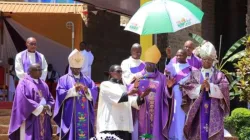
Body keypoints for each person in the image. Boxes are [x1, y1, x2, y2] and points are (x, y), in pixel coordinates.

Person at [181, 41, 230, 140]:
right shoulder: (195, 74)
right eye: (205, 59)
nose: (207, 62)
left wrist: (210, 87)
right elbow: (187, 88)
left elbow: (225, 88)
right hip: (198, 110)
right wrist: (200, 87)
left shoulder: (219, 74)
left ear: (213, 60)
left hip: (214, 110)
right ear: (201, 59)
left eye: (209, 60)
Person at [53, 49, 98, 140]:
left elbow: (94, 91)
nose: (77, 70)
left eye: (79, 68)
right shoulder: (63, 79)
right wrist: (73, 90)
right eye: (75, 68)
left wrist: (87, 90)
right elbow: (60, 93)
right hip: (70, 114)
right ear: (71, 67)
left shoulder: (87, 79)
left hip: (85, 113)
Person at [97, 64, 151, 140]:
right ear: (111, 73)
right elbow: (116, 97)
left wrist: (142, 96)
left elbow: (130, 101)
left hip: (125, 125)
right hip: (111, 125)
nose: (120, 73)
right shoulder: (105, 85)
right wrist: (130, 92)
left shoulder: (123, 87)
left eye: (121, 72)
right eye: (118, 71)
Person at [134, 45, 174, 140]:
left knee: (155, 133)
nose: (150, 66)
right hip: (143, 110)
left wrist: (169, 88)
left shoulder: (162, 77)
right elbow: (133, 92)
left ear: (156, 64)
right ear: (145, 63)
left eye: (152, 64)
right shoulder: (138, 76)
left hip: (157, 112)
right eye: (148, 64)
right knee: (144, 132)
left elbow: (166, 96)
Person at [8, 63, 55, 140]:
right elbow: (22, 99)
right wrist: (39, 107)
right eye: (37, 70)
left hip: (43, 117)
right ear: (30, 71)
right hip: (30, 118)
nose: (40, 72)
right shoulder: (23, 83)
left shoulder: (44, 84)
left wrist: (48, 106)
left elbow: (50, 99)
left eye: (41, 70)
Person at [166, 49, 196, 140]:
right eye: (177, 55)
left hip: (185, 96)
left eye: (181, 55)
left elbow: (194, 83)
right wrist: (168, 57)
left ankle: (181, 136)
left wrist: (186, 87)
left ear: (186, 56)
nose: (178, 57)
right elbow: (167, 73)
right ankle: (175, 136)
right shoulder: (173, 66)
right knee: (175, 115)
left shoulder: (191, 68)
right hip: (174, 94)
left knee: (183, 116)